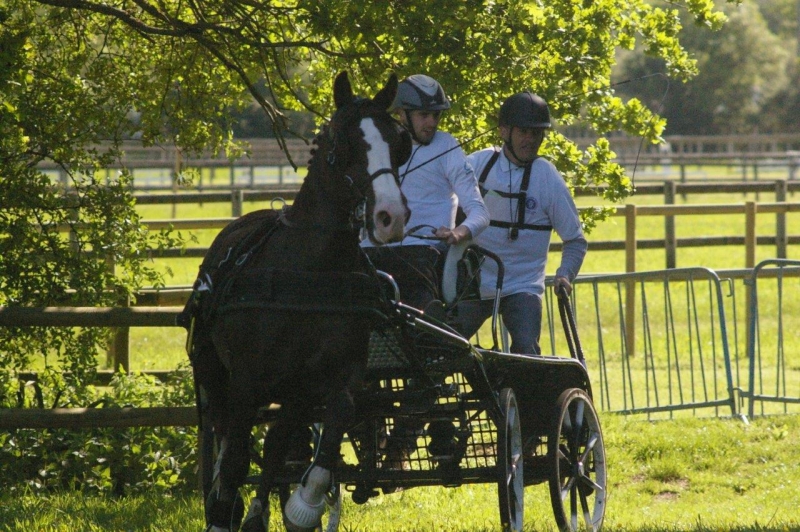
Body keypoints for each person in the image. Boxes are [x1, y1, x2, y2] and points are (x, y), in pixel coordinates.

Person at [454, 91, 587, 355]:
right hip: (473, 286)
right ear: (504, 131)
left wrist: (565, 274)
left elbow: (575, 240)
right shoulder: (477, 165)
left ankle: (524, 394)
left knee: (526, 350)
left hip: (522, 287)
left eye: (537, 133)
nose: (531, 140)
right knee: (444, 348)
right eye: (524, 132)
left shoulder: (547, 177)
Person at [360, 74, 489, 311]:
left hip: (423, 256)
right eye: (423, 115)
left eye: (436, 115)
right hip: (371, 253)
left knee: (416, 288)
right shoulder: (376, 148)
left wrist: (458, 233)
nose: (432, 122)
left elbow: (480, 213)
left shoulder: (447, 146)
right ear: (401, 113)